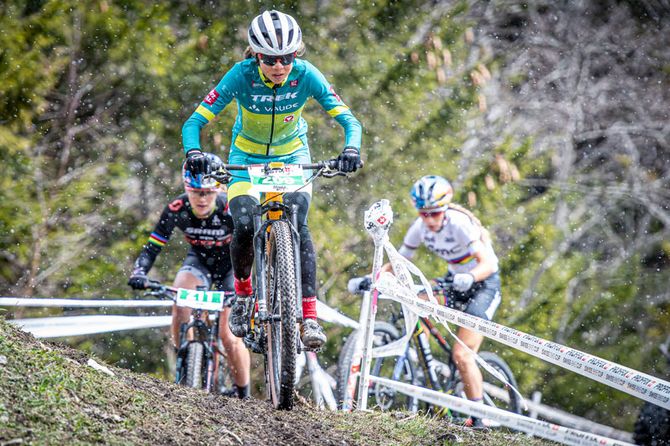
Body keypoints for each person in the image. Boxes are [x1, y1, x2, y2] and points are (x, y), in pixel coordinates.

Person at [181, 10, 362, 350]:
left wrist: (351, 149)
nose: (279, 66)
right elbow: (194, 122)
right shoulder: (241, 75)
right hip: (245, 159)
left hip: (292, 156)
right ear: (256, 54)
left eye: (287, 58)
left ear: (296, 54)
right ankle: (243, 295)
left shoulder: (306, 75)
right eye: (269, 59)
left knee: (299, 223)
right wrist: (194, 153)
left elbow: (349, 120)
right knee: (244, 224)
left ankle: (309, 317)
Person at [128, 153, 251, 399]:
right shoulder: (177, 208)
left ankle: (243, 393)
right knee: (180, 300)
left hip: (230, 267)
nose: (202, 199)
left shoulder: (230, 208)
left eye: (207, 193)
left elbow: (251, 244)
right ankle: (186, 356)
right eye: (196, 192)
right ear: (187, 189)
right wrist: (139, 272)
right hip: (199, 262)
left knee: (229, 336)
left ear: (218, 190)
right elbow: (153, 247)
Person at [383, 175, 501, 429]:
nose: (429, 220)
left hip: (484, 284)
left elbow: (489, 264)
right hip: (455, 281)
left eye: (434, 213)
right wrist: (373, 277)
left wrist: (471, 276)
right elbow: (399, 261)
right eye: (423, 213)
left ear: (445, 209)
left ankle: (479, 418)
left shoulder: (459, 223)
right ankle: (426, 365)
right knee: (419, 303)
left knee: (462, 354)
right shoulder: (420, 227)